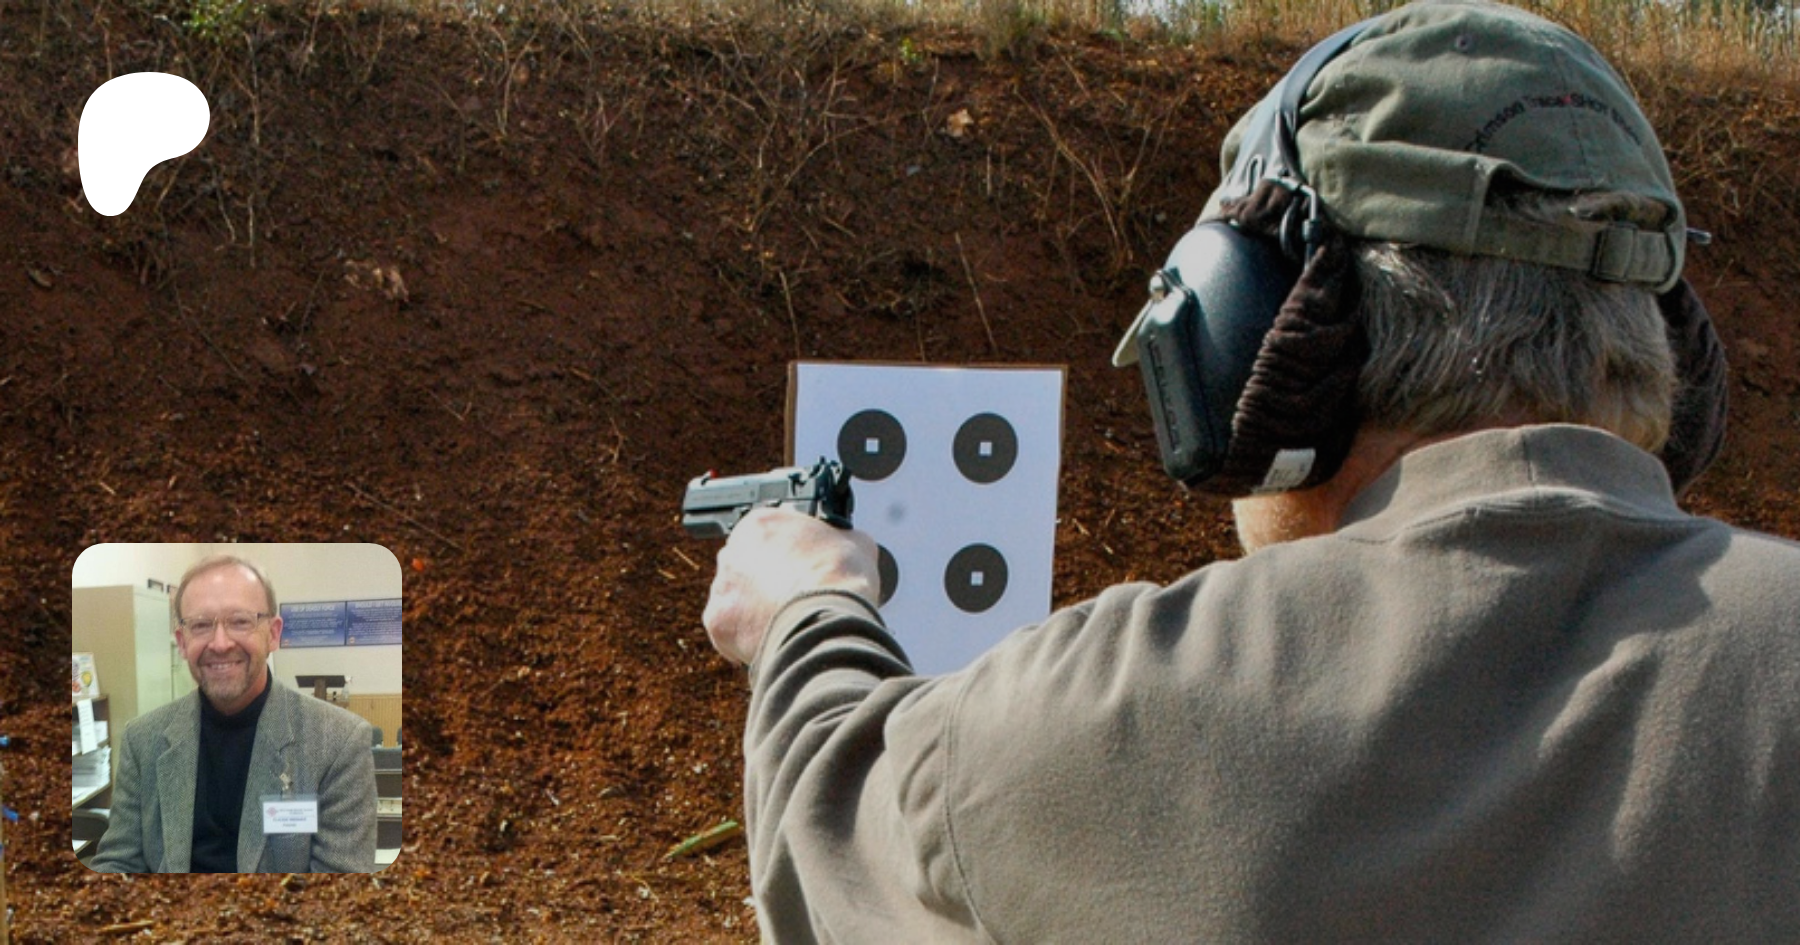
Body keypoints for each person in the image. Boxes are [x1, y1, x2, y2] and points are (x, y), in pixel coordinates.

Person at [700, 1, 1800, 940]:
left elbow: (835, 834)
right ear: (1665, 342)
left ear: (1253, 332)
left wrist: (809, 607)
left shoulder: (1106, 711)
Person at [87, 555, 378, 873]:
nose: (220, 643)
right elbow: (118, 861)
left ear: (273, 634)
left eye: (240, 621)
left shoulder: (338, 742)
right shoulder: (143, 739)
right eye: (201, 625)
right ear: (182, 642)